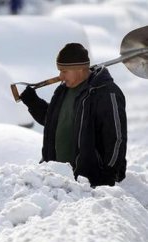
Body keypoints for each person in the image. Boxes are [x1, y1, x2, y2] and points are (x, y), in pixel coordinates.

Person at [20, 43, 127, 187]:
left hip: (89, 181)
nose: (60, 77)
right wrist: (33, 102)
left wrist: (108, 173)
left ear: (80, 68)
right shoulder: (62, 91)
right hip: (57, 180)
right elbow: (53, 121)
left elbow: (116, 138)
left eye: (64, 71)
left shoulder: (105, 93)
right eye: (59, 71)